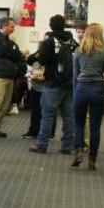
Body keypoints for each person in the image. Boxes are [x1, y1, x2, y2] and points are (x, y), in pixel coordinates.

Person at [30, 15, 77, 154]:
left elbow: (42, 61)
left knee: (48, 115)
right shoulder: (72, 41)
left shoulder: (50, 42)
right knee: (68, 117)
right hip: (69, 84)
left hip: (52, 84)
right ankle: (67, 146)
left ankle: (42, 144)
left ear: (51, 25)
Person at [71, 23, 104, 170]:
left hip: (81, 88)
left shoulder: (78, 50)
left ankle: (78, 151)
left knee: (78, 123)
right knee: (95, 126)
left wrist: (75, 93)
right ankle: (92, 159)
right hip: (97, 88)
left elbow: (75, 76)